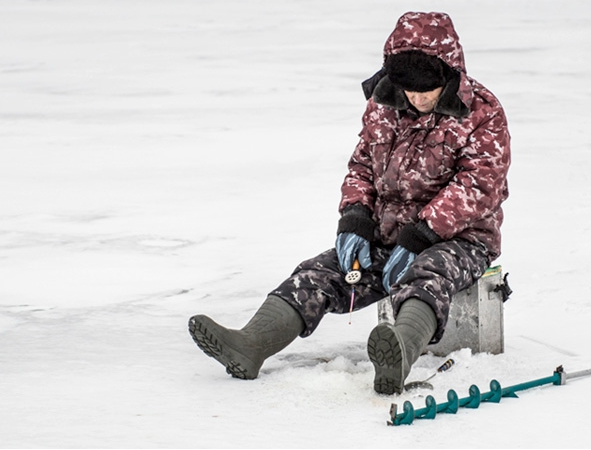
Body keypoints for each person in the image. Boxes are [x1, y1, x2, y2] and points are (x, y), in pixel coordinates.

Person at [188, 11, 510, 395]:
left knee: (428, 275)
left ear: (449, 75)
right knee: (319, 273)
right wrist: (355, 217)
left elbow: (479, 185)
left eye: (428, 87)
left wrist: (422, 233)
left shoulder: (482, 113)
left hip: (460, 239)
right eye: (409, 87)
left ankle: (400, 355)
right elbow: (362, 165)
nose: (418, 97)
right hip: (388, 234)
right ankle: (251, 344)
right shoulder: (383, 105)